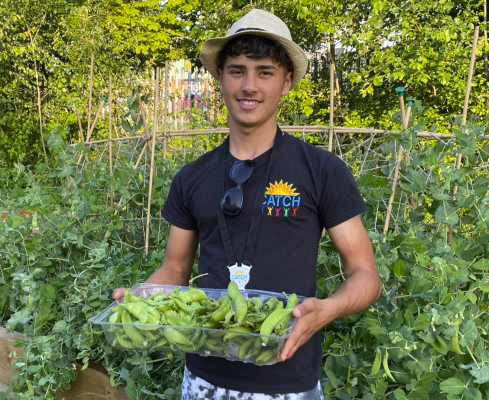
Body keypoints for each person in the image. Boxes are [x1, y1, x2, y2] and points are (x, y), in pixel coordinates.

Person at [112, 9, 381, 399]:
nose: (249, 85)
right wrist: (137, 300)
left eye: (265, 72)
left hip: (288, 381)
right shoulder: (192, 178)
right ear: (220, 78)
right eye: (237, 70)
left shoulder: (321, 170)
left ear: (287, 82)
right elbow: (175, 267)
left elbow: (365, 274)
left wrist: (329, 308)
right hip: (204, 380)